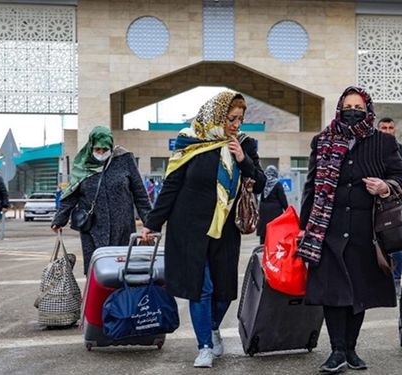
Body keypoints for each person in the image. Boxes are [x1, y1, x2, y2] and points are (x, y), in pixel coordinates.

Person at [139, 91, 265, 368]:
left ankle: (212, 328)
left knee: (224, 293)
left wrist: (243, 159)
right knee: (202, 289)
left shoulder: (244, 144)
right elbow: (171, 187)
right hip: (188, 228)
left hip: (225, 230)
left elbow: (261, 182)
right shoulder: (190, 143)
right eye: (231, 118)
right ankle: (204, 346)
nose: (236, 124)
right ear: (217, 116)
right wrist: (151, 223)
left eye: (240, 119)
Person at [298, 86, 402, 373]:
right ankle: (336, 350)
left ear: (368, 111)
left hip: (366, 230)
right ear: (339, 108)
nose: (352, 111)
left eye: (359, 108)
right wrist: (304, 227)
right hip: (328, 227)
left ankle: (351, 348)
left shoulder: (383, 143)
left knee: (357, 290)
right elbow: (311, 186)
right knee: (332, 291)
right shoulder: (322, 141)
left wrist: (386, 187)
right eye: (348, 106)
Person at [51, 126, 151, 275]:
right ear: (91, 146)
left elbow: (140, 194)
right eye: (97, 149)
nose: (101, 153)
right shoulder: (83, 165)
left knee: (122, 272)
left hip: (122, 228)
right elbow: (71, 195)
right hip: (92, 229)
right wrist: (59, 219)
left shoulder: (124, 159)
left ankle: (120, 299)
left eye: (105, 150)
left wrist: (150, 223)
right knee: (96, 273)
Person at [377, 117, 402, 295]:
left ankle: (396, 279)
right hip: (375, 205)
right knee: (377, 245)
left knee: (398, 242)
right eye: (384, 127)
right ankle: (380, 280)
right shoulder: (371, 149)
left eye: (391, 127)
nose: (387, 131)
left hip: (394, 204)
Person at [256, 165, 288, 245]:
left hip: (263, 212)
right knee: (275, 235)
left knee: (264, 234)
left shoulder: (262, 183)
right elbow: (283, 200)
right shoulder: (277, 184)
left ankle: (262, 252)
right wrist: (287, 210)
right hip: (275, 213)